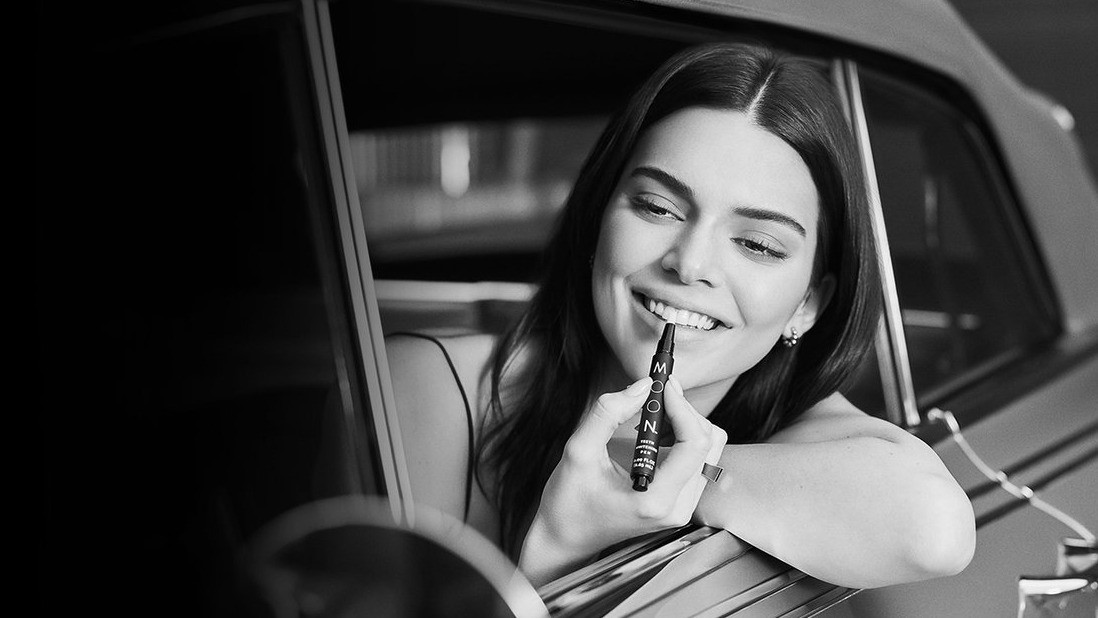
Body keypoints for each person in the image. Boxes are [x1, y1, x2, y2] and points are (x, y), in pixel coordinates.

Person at [387, 42, 975, 590]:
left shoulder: (814, 433)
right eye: (657, 207)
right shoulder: (432, 389)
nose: (689, 264)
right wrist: (559, 545)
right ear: (598, 217)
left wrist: (647, 468)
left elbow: (935, 532)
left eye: (757, 244)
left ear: (808, 304)